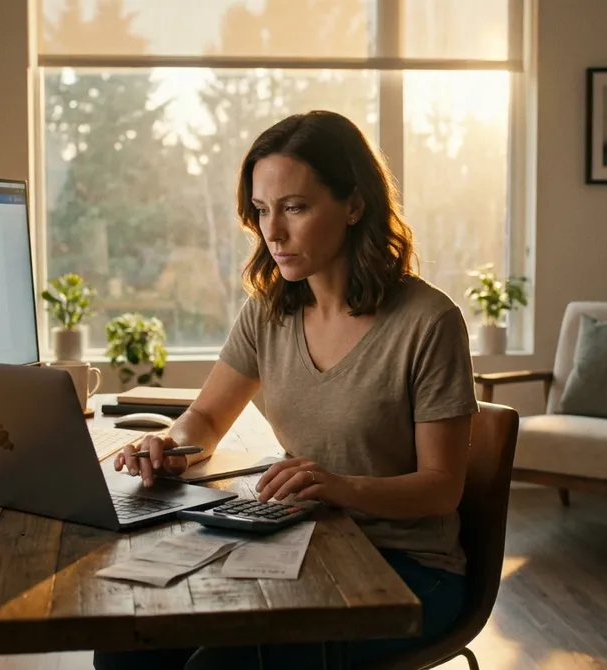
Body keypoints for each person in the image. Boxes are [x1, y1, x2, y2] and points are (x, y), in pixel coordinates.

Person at [94, 110, 478, 670]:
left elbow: (442, 489)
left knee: (215, 668)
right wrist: (170, 446)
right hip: (303, 542)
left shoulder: (428, 321)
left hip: (410, 570)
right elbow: (204, 417)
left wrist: (342, 487)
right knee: (128, 649)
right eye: (261, 210)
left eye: (294, 207)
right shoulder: (269, 311)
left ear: (354, 204)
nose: (272, 232)